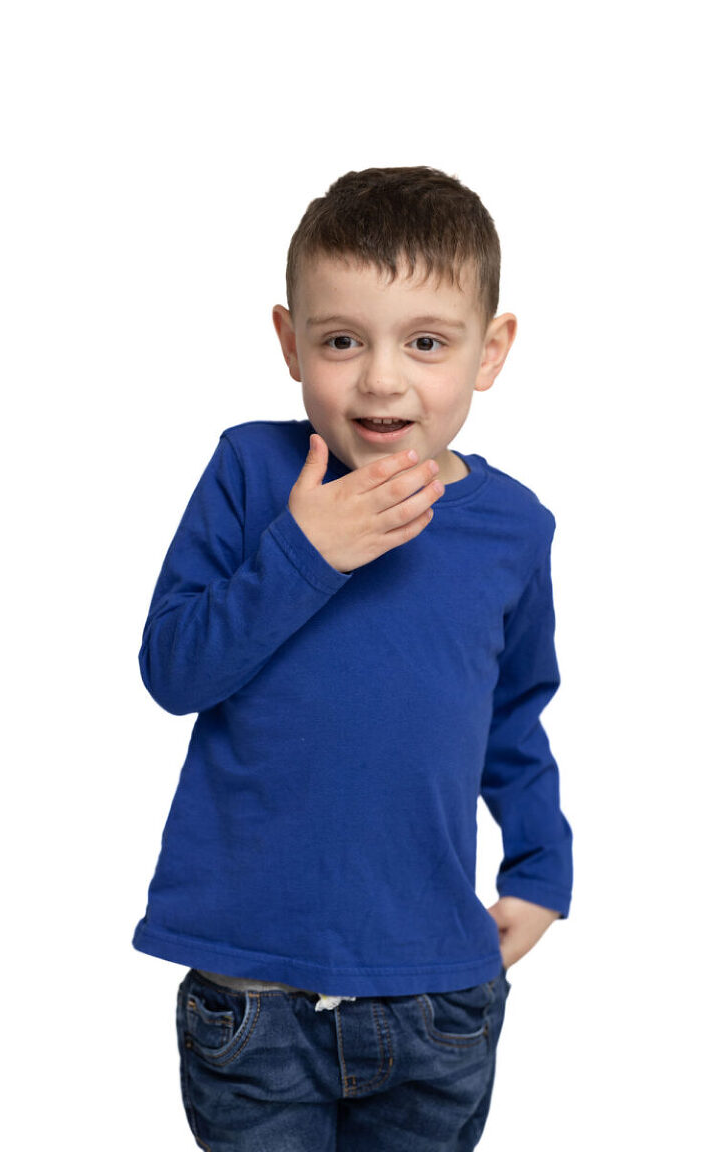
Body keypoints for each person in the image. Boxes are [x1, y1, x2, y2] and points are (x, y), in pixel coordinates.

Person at [132, 165, 573, 1151]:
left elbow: (515, 713)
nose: (381, 379)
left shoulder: (511, 526)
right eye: (341, 341)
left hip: (435, 994)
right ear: (291, 343)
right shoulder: (251, 474)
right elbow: (173, 669)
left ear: (489, 351)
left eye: (426, 343)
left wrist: (541, 864)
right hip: (252, 991)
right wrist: (302, 554)